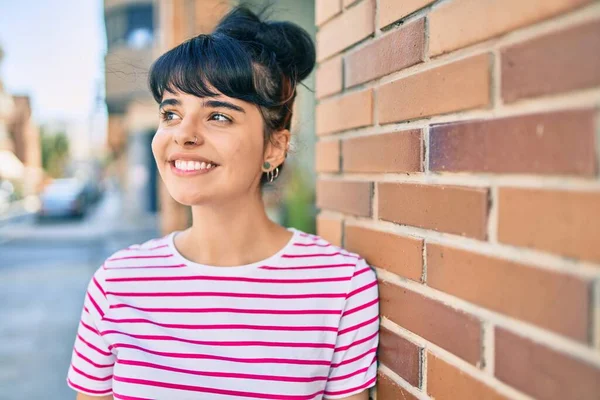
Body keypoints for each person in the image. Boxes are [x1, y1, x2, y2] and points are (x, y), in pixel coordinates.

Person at [66, 5, 379, 399]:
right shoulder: (117, 283)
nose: (184, 134)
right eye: (171, 113)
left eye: (218, 116)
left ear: (275, 147)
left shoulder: (341, 285)